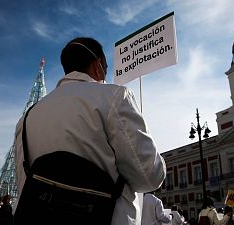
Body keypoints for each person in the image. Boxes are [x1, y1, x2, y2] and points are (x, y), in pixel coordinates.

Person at [13, 37, 166, 225]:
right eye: (106, 69)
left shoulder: (27, 118)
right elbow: (149, 177)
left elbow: (23, 186)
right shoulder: (114, 97)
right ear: (98, 64)